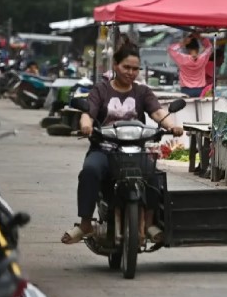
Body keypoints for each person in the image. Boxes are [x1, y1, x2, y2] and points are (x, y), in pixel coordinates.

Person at [61, 41, 184, 245]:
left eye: (135, 69)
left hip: (135, 151)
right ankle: (85, 224)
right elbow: (88, 113)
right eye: (126, 67)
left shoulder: (142, 92)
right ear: (115, 66)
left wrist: (172, 126)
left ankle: (151, 223)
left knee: (153, 174)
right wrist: (86, 125)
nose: (131, 72)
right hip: (104, 150)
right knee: (89, 171)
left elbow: (157, 112)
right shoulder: (101, 90)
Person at [168, 32, 212, 97]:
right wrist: (201, 38)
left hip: (186, 90)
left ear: (187, 49)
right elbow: (209, 47)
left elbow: (171, 49)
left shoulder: (182, 59)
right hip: (200, 90)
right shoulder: (203, 58)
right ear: (198, 48)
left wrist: (183, 43)